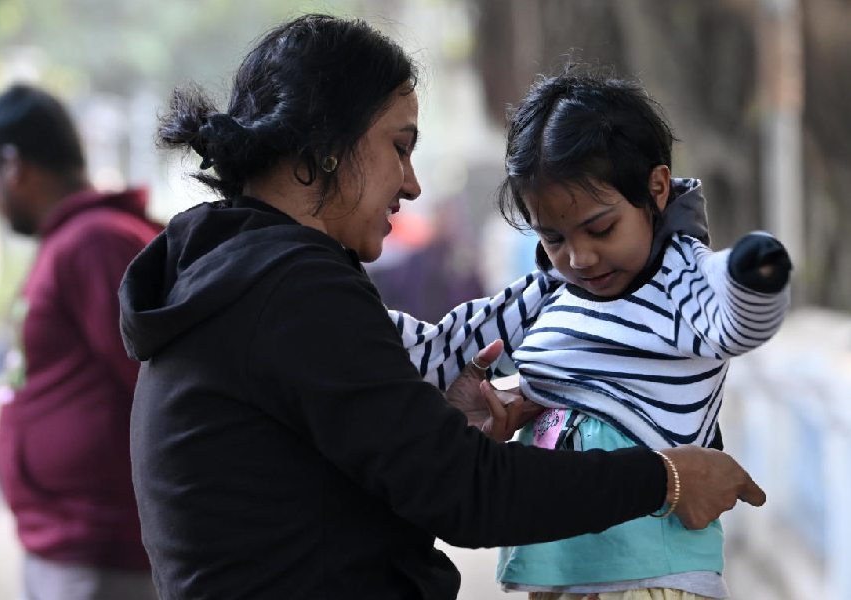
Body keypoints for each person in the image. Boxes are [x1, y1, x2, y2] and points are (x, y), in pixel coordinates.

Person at [118, 15, 766, 600]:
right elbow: (471, 496)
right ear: (324, 145)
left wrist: (427, 424)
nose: (412, 183)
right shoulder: (288, 287)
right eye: (399, 146)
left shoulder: (233, 271)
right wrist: (666, 478)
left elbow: (312, 481)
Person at [395, 70, 792, 600]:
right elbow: (447, 344)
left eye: (601, 229)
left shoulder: (681, 279)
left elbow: (733, 317)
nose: (580, 258)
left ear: (656, 188)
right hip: (553, 573)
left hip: (653, 579)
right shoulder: (546, 292)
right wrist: (352, 322)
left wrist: (755, 274)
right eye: (554, 237)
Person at [0, 84, 161, 600]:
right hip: (74, 545)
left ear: (14, 165)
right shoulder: (72, 240)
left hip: (101, 548)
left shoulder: (96, 242)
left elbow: (157, 387)